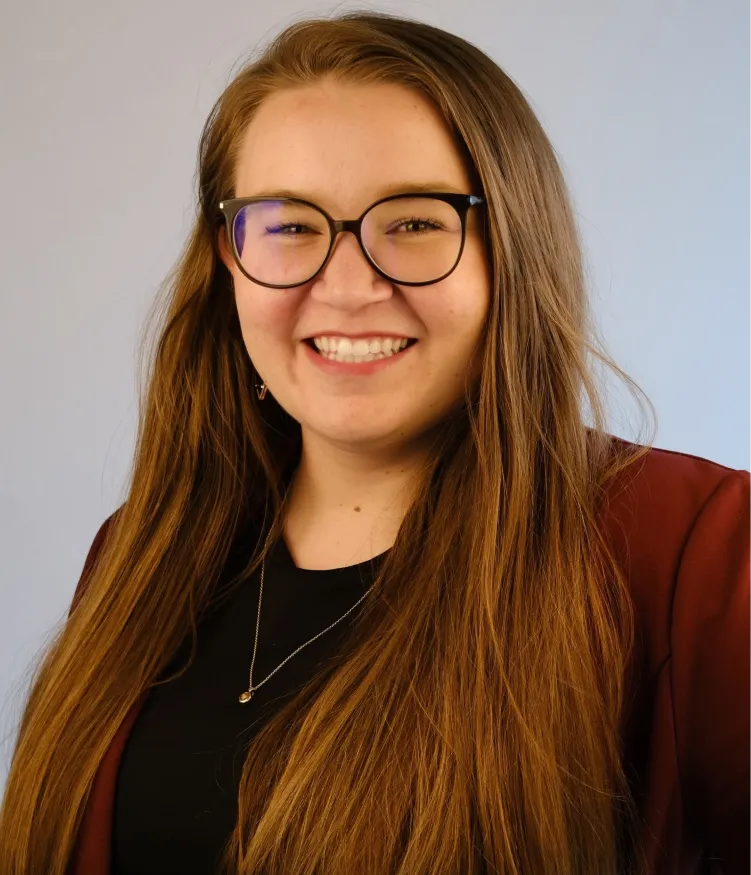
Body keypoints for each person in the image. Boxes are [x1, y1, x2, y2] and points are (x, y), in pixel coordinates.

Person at [1, 10, 749, 875]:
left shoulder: (694, 550)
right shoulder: (138, 552)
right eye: (289, 225)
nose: (348, 287)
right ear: (228, 261)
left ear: (510, 248)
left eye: (414, 222)